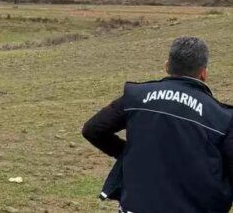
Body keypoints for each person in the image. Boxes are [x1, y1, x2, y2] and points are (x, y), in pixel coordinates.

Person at [83, 36, 233, 213]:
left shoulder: (136, 96)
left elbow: (93, 129)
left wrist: (131, 154)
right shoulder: (222, 117)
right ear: (203, 73)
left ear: (167, 66)